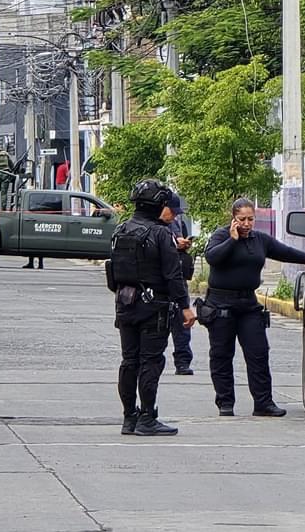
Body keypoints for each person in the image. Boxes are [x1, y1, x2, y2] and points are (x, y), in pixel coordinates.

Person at [203, 198, 305, 417]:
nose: (246, 223)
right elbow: (213, 258)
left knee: (258, 352)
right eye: (241, 219)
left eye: (250, 219)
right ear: (233, 218)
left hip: (248, 304)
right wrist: (232, 241)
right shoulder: (221, 236)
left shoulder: (259, 240)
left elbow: (286, 252)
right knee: (222, 354)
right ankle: (225, 402)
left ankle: (263, 403)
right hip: (221, 304)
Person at [108, 179, 195, 436]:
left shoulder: (121, 230)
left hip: (125, 303)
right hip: (153, 307)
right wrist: (185, 307)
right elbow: (173, 275)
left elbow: (113, 271)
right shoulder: (160, 234)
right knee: (151, 361)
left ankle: (129, 418)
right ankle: (146, 417)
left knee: (129, 361)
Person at [163, 193, 195, 375]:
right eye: (172, 212)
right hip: (158, 282)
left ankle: (182, 362)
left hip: (178, 277)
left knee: (182, 320)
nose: (174, 216)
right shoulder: (152, 226)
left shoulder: (176, 223)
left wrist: (183, 244)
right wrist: (175, 244)